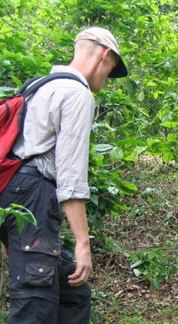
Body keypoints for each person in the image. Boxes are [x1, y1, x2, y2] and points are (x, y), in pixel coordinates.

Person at [0, 27, 127, 323]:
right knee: (36, 305)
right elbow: (70, 175)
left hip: (10, 193)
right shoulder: (77, 93)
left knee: (72, 292)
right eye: (110, 72)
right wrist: (83, 244)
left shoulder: (39, 87)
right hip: (32, 196)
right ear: (105, 56)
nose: (106, 81)